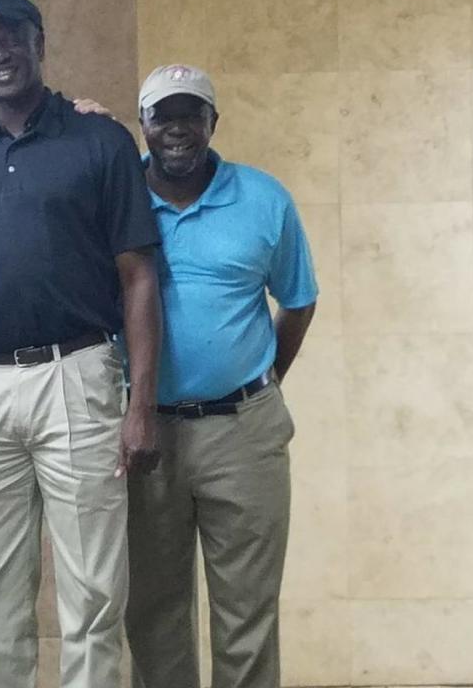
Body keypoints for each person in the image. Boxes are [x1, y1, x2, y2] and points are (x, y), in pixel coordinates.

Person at [0, 0, 162, 688]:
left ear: (38, 43)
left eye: (11, 37)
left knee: (93, 594)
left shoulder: (100, 140)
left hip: (76, 376)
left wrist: (139, 405)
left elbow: (137, 276)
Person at [125, 64, 318, 688]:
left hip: (245, 432)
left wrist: (259, 381)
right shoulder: (118, 196)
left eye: (191, 114)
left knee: (246, 614)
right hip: (147, 434)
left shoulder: (264, 198)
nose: (177, 129)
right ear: (144, 124)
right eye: (163, 116)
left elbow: (298, 300)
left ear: (213, 122)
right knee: (154, 612)